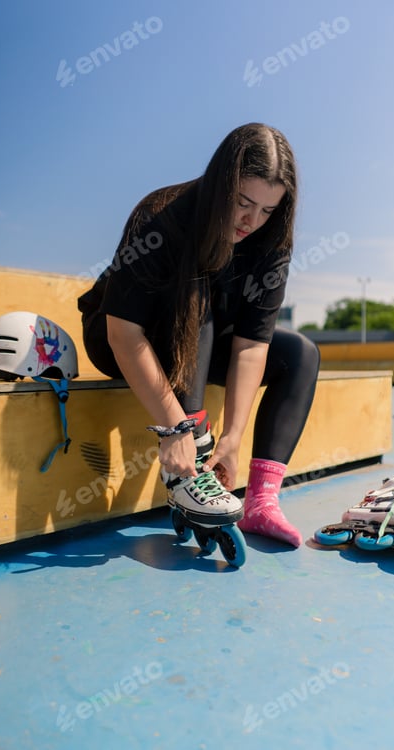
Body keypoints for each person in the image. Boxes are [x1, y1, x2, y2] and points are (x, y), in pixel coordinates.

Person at [77, 122, 320, 547]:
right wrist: (174, 430)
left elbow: (250, 346)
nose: (252, 221)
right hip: (124, 337)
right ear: (219, 184)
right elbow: (122, 333)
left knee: (299, 353)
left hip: (204, 342)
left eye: (267, 210)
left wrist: (233, 438)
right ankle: (186, 474)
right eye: (243, 203)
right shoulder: (161, 216)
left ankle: (261, 502)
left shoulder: (271, 239)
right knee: (199, 295)